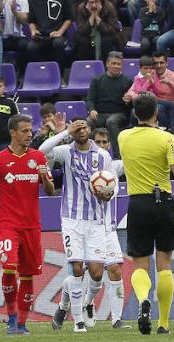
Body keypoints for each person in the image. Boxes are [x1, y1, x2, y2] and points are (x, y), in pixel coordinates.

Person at [118, 93, 174, 335]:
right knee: (164, 264)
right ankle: (164, 323)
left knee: (140, 265)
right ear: (156, 113)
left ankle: (143, 298)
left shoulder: (123, 137)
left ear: (135, 113)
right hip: (163, 202)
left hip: (138, 203)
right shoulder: (166, 139)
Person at [0, 114, 55, 335]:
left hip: (32, 226)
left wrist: (45, 178)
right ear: (13, 132)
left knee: (27, 275)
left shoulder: (38, 158)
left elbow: (49, 192)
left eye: (31, 131)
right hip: (8, 224)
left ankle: (21, 324)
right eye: (25, 131)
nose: (30, 134)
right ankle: (11, 318)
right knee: (9, 267)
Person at [51, 126, 132, 330]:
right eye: (100, 141)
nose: (103, 145)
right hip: (85, 223)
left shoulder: (112, 164)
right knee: (78, 270)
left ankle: (110, 315)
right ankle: (65, 305)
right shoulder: (76, 158)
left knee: (109, 270)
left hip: (107, 228)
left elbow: (136, 165)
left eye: (106, 142)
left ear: (109, 145)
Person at [39, 117, 115, 333]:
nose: (81, 131)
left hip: (95, 221)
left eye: (83, 127)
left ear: (89, 130)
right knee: (77, 268)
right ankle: (78, 321)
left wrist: (108, 195)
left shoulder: (102, 156)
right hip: (72, 219)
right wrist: (64, 132)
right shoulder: (66, 151)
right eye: (77, 127)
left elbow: (113, 185)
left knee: (97, 273)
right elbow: (43, 150)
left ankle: (70, 303)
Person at [86, 51, 133, 158]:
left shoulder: (127, 81)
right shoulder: (97, 80)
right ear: (107, 64)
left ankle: (118, 156)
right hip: (101, 114)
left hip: (120, 114)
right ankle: (88, 153)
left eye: (119, 64)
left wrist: (129, 100)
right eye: (113, 63)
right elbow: (90, 99)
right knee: (88, 122)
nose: (116, 66)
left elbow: (132, 105)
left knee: (111, 122)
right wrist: (92, 109)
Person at [27, 0, 72, 70]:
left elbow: (69, 19)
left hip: (58, 35)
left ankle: (59, 75)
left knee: (58, 43)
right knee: (31, 47)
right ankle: (38, 74)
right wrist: (33, 31)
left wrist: (60, 32)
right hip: (40, 36)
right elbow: (31, 21)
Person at [2, 0, 29, 74]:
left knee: (26, 45)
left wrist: (14, 11)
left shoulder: (22, 1)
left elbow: (24, 21)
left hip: (18, 37)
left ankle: (22, 74)